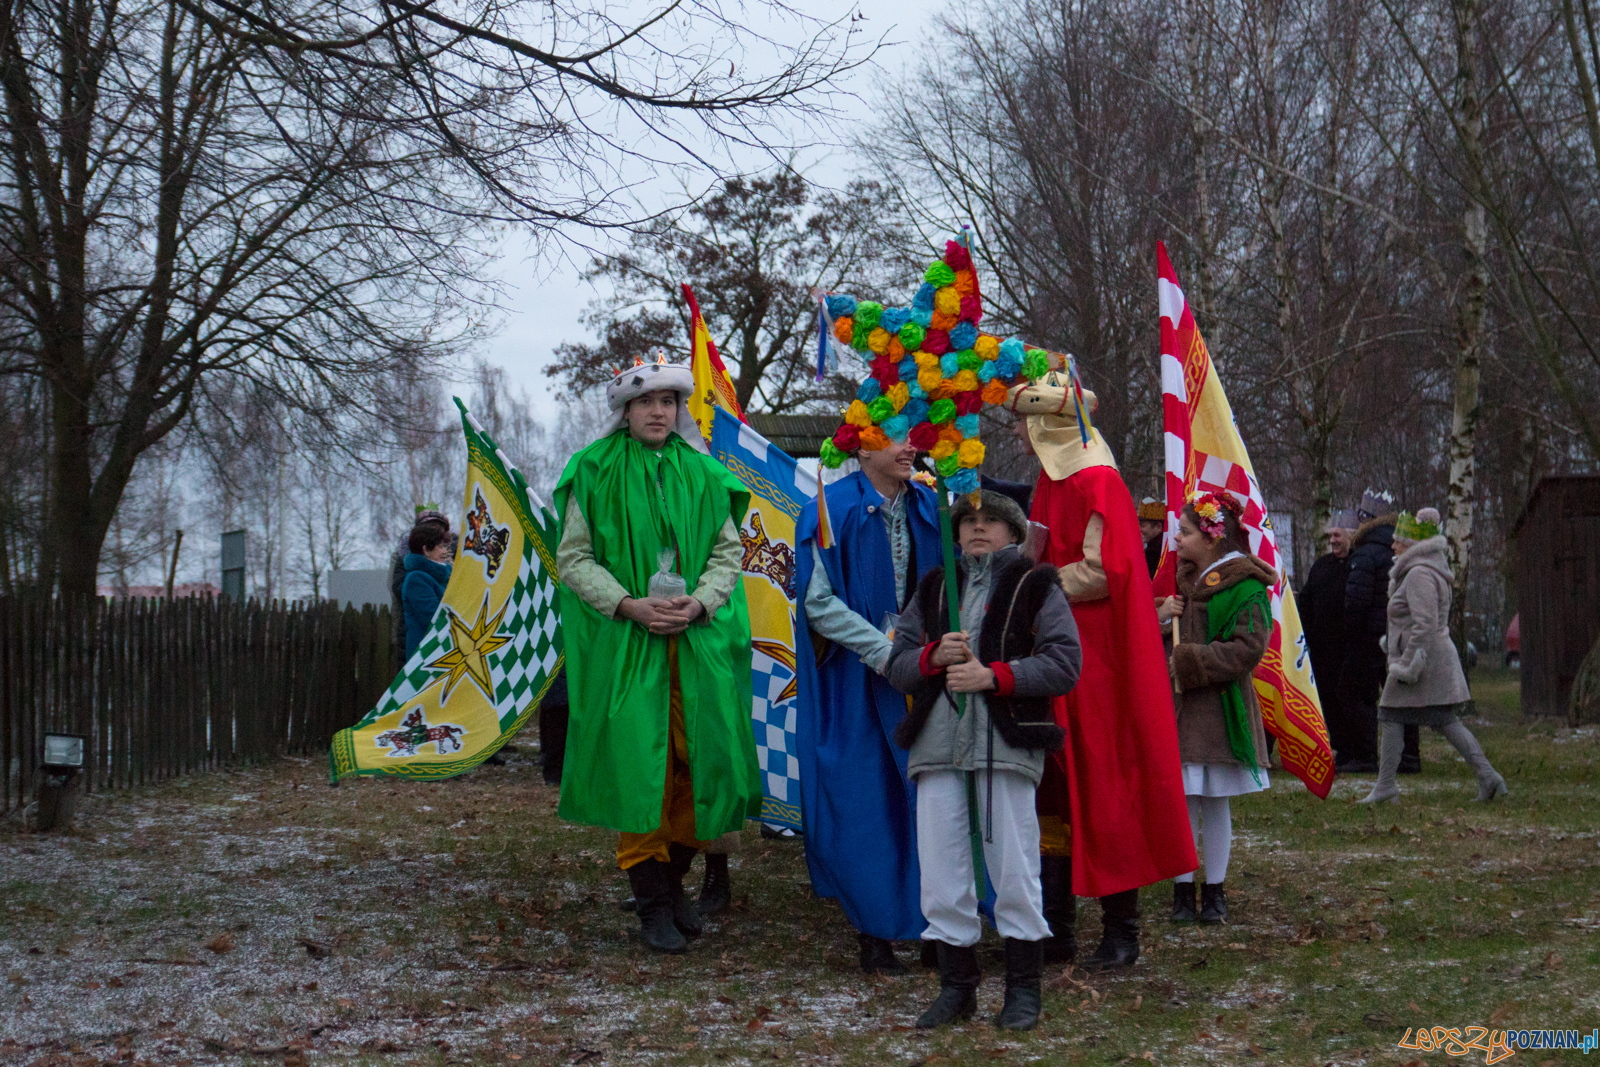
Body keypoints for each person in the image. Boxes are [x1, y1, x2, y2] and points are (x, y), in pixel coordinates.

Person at [552, 357, 761, 954]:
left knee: (704, 768)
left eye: (669, 402)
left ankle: (668, 889)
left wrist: (698, 603)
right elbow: (574, 558)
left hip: (699, 646)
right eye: (647, 403)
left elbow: (728, 554)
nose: (659, 412)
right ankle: (653, 906)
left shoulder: (704, 472)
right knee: (643, 771)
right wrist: (628, 605)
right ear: (626, 409)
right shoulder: (592, 470)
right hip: (628, 648)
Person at [1007, 380, 1196, 971]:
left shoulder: (1097, 480)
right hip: (1056, 653)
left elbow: (1103, 570)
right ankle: (1056, 928)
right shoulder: (1050, 480)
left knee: (1109, 782)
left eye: (1023, 423)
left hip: (1101, 662)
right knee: (1054, 785)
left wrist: (1032, 585)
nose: (1017, 433)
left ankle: (1122, 931)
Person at [885, 490, 1082, 1031]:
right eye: (969, 519)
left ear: (1014, 532)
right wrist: (932, 657)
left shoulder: (1035, 583)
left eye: (992, 519)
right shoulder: (934, 585)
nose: (978, 528)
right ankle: (957, 989)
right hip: (939, 746)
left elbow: (1066, 662)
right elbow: (896, 662)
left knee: (1015, 871)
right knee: (943, 875)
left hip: (1005, 745)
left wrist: (996, 676)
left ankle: (1023, 991)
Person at [794, 437, 943, 974]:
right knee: (866, 801)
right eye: (895, 438)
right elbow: (817, 601)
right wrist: (884, 652)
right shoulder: (827, 511)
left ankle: (939, 924)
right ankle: (874, 930)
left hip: (928, 677)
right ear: (862, 449)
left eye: (912, 436)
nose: (910, 447)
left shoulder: (933, 505)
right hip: (857, 679)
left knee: (933, 799)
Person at [1156, 493, 1275, 924]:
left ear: (1211, 538)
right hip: (1182, 712)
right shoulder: (1182, 582)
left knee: (1215, 800)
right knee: (1185, 799)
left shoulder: (1245, 586)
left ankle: (1216, 891)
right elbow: (1155, 643)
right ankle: (1183, 891)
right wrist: (1160, 615)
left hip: (1222, 711)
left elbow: (1248, 648)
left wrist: (1190, 661)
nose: (1177, 539)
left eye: (1185, 532)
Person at [1358, 509, 1508, 805]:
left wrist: (1407, 665)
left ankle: (1386, 788)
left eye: (1398, 541)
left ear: (1412, 545)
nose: (1392, 546)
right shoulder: (1424, 569)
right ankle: (1489, 777)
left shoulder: (1418, 574)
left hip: (1421, 662)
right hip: (1429, 659)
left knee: (1392, 714)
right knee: (1440, 720)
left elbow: (1424, 624)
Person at [1340, 489, 1421, 774]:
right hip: (1397, 636)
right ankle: (1409, 756)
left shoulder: (1365, 553)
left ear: (1366, 519)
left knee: (1357, 696)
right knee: (1399, 697)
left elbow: (1356, 600)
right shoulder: (1400, 551)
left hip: (1366, 639)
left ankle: (1365, 756)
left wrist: (1349, 632)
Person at [1300, 509, 1356, 765]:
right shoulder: (1321, 566)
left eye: (1338, 535)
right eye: (1331, 535)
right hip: (1321, 650)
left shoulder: (1358, 565)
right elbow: (1307, 602)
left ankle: (1351, 749)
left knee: (1347, 701)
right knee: (1327, 702)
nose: (1333, 540)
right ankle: (1334, 746)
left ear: (1351, 536)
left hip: (1347, 649)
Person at [390, 507, 450, 659]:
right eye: (440, 547)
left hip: (440, 650)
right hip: (426, 655)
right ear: (426, 550)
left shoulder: (441, 574)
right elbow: (435, 617)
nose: (445, 551)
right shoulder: (416, 579)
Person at [1138, 497, 1166, 578]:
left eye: (1143, 525)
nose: (1139, 529)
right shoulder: (1153, 547)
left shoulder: (1158, 552)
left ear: (1158, 527)